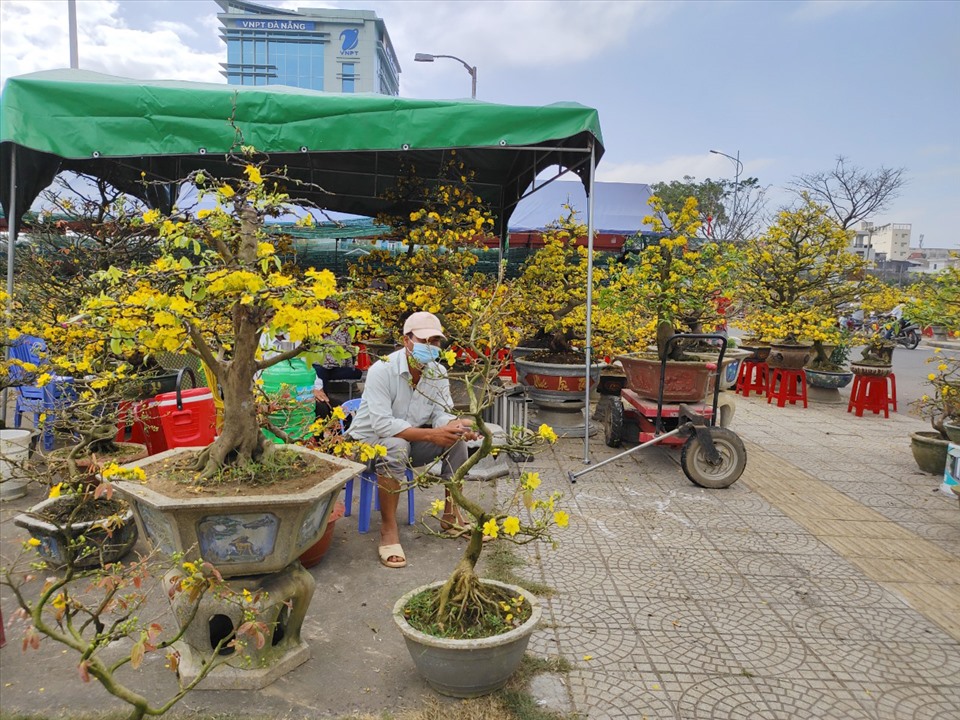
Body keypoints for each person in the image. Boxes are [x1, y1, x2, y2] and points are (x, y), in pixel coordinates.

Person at [346, 311, 478, 568]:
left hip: (407, 445)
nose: (431, 347)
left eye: (436, 341)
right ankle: (388, 530)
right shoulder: (382, 370)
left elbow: (440, 412)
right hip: (365, 446)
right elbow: (383, 425)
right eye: (424, 340)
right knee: (395, 445)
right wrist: (431, 434)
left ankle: (451, 515)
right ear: (406, 340)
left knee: (456, 440)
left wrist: (455, 425)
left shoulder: (437, 372)